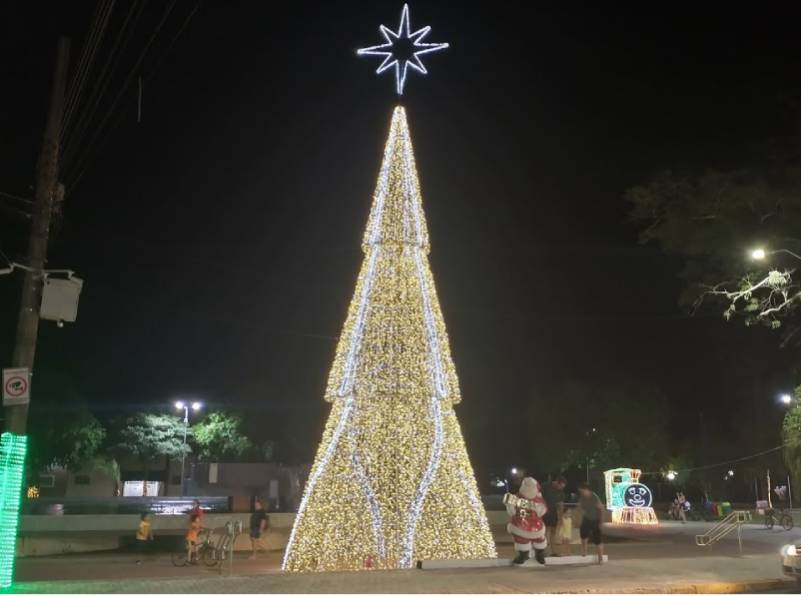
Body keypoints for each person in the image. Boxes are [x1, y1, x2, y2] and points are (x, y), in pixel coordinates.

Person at [505, 477, 548, 565]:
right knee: (531, 540)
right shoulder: (537, 500)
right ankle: (530, 554)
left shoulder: (516, 499)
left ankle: (533, 554)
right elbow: (512, 512)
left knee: (532, 540)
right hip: (528, 526)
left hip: (528, 526)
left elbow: (512, 511)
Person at [577, 482, 605, 564]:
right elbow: (580, 508)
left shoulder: (594, 497)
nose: (581, 493)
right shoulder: (582, 497)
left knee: (598, 539)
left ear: (586, 490)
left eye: (582, 491)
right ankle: (584, 550)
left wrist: (601, 522)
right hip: (587, 518)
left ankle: (600, 558)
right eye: (580, 492)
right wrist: (579, 518)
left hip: (596, 519)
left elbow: (602, 510)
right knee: (583, 533)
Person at [542, 476, 567, 556]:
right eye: (561, 486)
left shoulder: (560, 492)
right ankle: (543, 551)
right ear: (557, 482)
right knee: (544, 532)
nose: (561, 488)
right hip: (543, 512)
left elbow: (560, 504)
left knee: (553, 532)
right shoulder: (545, 486)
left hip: (553, 514)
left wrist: (561, 517)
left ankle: (553, 551)